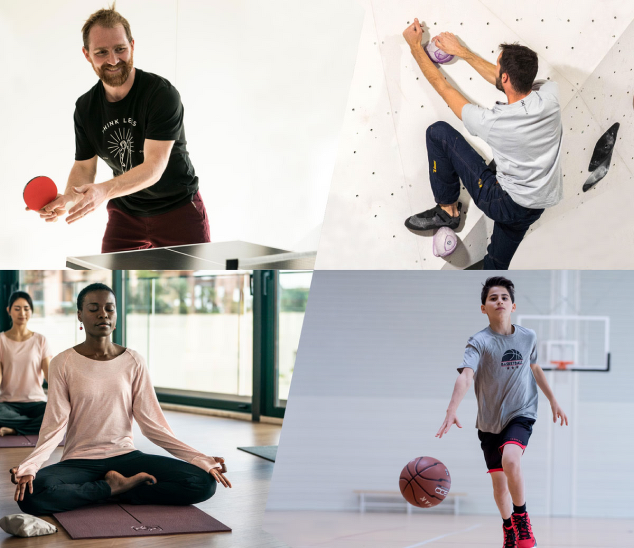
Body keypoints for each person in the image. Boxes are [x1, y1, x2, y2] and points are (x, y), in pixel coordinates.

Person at [10, 283, 230, 515]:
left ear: (116, 315)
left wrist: (198, 458)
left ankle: (118, 489)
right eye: (93, 308)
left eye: (109, 308)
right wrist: (31, 465)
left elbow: (154, 426)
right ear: (80, 315)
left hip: (126, 458)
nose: (103, 314)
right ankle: (111, 487)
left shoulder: (133, 361)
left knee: (202, 483)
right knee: (31, 496)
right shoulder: (63, 363)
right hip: (80, 461)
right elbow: (55, 426)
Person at [32, 3, 210, 253]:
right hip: (125, 212)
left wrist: (103, 191)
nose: (113, 60)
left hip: (178, 208)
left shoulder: (161, 95)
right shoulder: (85, 107)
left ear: (132, 46)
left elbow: (154, 168)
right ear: (87, 55)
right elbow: (84, 166)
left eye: (120, 49)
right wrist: (68, 198)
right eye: (101, 52)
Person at [402, 19, 563, 270]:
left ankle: (447, 211)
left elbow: (442, 87)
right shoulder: (550, 94)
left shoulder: (494, 123)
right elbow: (506, 83)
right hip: (540, 199)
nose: (497, 70)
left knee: (438, 133)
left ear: (506, 76)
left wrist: (415, 47)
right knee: (497, 263)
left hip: (505, 202)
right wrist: (463, 53)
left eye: (498, 66)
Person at [436, 276, 568, 548]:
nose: (499, 301)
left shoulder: (528, 336)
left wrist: (553, 399)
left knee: (511, 459)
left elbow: (535, 368)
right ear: (483, 308)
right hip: (489, 421)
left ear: (513, 305)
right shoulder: (478, 342)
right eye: (493, 298)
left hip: (522, 411)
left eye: (504, 298)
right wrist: (452, 409)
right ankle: (508, 526)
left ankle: (521, 518)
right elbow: (466, 376)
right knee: (499, 484)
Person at [0, 291, 52, 437]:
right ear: (9, 310)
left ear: (31, 311)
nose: (22, 313)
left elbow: (49, 374)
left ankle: (15, 429)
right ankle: (34, 426)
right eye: (17, 308)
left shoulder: (40, 340)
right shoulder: (1, 341)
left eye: (26, 308)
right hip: (8, 404)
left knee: (59, 414)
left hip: (36, 402)